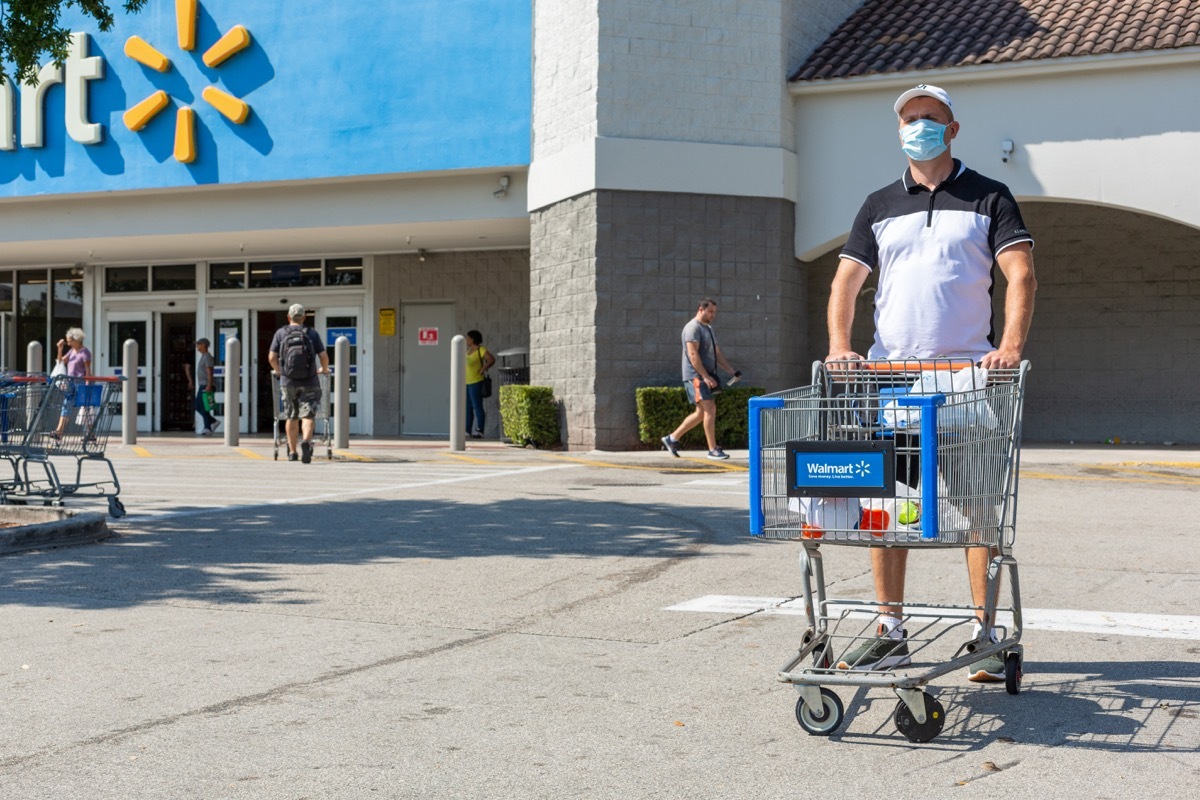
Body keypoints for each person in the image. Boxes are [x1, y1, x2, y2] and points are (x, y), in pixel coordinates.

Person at [825, 84, 1037, 682]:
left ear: (953, 128)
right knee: (891, 512)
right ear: (899, 132)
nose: (920, 126)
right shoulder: (878, 204)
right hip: (895, 381)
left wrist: (1010, 348)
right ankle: (889, 632)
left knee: (978, 513)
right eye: (910, 119)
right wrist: (841, 347)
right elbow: (845, 282)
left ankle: (984, 635)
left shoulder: (989, 196)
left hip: (969, 380)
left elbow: (1019, 273)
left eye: (931, 118)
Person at [661, 298, 739, 460]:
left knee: (701, 413)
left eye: (714, 312)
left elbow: (716, 353)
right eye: (710, 311)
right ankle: (712, 449)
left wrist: (730, 371)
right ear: (700, 309)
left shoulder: (708, 329)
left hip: (704, 376)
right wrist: (705, 376)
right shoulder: (692, 328)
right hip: (695, 376)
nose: (713, 315)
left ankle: (672, 438)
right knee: (710, 409)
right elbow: (693, 355)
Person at [268, 304, 329, 463]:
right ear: (303, 317)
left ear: (289, 317)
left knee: (291, 416)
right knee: (308, 415)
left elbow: (271, 357)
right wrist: (324, 368)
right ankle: (307, 443)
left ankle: (292, 452)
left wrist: (279, 371)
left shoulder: (281, 333)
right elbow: (323, 356)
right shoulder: (311, 333)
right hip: (310, 380)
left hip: (288, 382)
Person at [51, 328, 91, 439]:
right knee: (66, 406)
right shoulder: (71, 351)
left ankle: (91, 433)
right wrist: (60, 349)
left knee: (85, 408)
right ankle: (59, 432)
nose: (68, 343)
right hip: (70, 384)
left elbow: (88, 371)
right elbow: (60, 362)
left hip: (81, 384)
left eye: (70, 341)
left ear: (77, 340)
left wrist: (87, 385)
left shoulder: (85, 353)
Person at [184, 338, 220, 436]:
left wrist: (209, 385)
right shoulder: (203, 356)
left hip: (206, 385)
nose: (197, 346)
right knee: (199, 406)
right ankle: (212, 422)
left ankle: (208, 427)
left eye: (198, 344)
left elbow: (209, 371)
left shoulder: (207, 357)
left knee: (201, 406)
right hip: (203, 384)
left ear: (204, 345)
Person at [464, 330, 494, 438]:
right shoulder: (468, 351)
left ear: (473, 339)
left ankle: (479, 430)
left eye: (468, 338)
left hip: (476, 381)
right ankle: (467, 430)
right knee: (468, 408)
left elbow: (491, 359)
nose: (466, 340)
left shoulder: (481, 350)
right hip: (467, 382)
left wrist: (482, 369)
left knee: (477, 406)